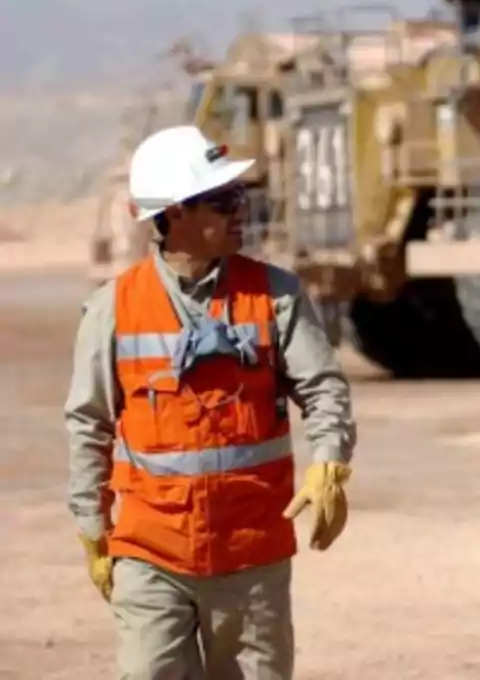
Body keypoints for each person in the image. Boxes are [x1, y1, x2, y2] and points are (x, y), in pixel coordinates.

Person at [64, 125, 357, 679]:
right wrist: (92, 527)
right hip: (151, 556)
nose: (240, 211)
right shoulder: (114, 308)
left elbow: (324, 389)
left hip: (252, 560)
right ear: (173, 213)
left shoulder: (277, 296)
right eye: (224, 201)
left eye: (240, 197)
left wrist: (329, 460)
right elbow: (89, 422)